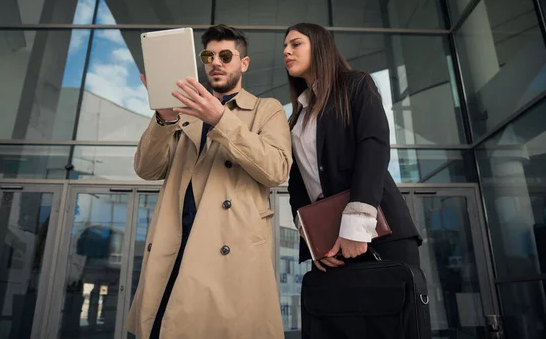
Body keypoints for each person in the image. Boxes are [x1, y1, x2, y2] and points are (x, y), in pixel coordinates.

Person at [126, 24, 291, 339]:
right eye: (208, 55)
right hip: (175, 242)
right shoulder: (182, 114)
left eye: (225, 55)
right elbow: (147, 169)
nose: (216, 62)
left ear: (243, 63)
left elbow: (277, 169)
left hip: (228, 248)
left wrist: (221, 119)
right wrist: (163, 117)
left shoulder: (265, 109)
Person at [283, 23, 423, 334]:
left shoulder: (355, 85)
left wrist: (358, 227)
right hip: (332, 250)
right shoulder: (298, 117)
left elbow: (373, 147)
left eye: (295, 44)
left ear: (319, 46)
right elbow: (298, 186)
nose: (286, 52)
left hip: (381, 236)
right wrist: (313, 242)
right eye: (285, 48)